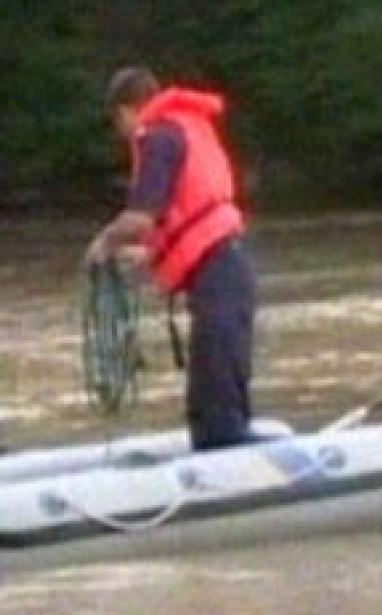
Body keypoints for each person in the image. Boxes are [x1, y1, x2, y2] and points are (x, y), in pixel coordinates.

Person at [85, 66, 256, 451]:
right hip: (227, 255)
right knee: (221, 357)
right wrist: (149, 254)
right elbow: (183, 215)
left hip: (219, 261)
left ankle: (224, 441)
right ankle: (223, 436)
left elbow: (140, 217)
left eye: (118, 123)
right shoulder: (184, 128)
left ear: (126, 110)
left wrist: (103, 244)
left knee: (216, 360)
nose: (121, 134)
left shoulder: (158, 136)